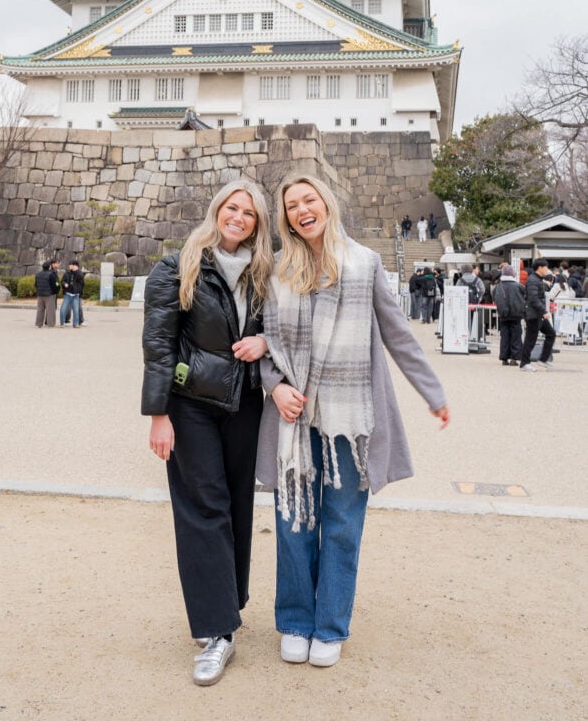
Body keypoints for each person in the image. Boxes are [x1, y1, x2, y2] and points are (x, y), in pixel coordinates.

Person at [256, 175, 449, 669]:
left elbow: (398, 334)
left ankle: (331, 625)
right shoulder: (277, 269)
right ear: (285, 217)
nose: (302, 210)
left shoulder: (365, 264)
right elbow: (262, 344)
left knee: (342, 524)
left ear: (326, 203)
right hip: (294, 418)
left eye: (309, 200)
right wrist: (275, 386)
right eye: (292, 205)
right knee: (293, 519)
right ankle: (296, 620)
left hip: (349, 417)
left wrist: (432, 391)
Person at [141, 179, 273, 686]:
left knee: (238, 504)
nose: (238, 217)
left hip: (244, 405)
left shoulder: (265, 272)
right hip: (191, 403)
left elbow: (282, 328)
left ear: (258, 224)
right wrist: (158, 414)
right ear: (217, 211)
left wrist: (262, 341)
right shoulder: (178, 266)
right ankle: (217, 630)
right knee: (203, 508)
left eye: (249, 213)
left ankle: (227, 606)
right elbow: (158, 343)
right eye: (231, 208)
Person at [519, 258, 556, 372]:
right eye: (546, 267)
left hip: (538, 314)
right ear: (540, 268)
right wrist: (544, 311)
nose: (547, 269)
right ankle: (524, 363)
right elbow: (533, 299)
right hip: (533, 315)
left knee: (551, 333)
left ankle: (543, 359)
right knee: (531, 339)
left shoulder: (538, 279)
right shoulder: (533, 280)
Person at [493, 264, 525, 365]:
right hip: (516, 314)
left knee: (504, 336)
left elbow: (494, 298)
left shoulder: (498, 287)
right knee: (516, 336)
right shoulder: (519, 286)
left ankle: (504, 358)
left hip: (503, 314)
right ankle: (514, 358)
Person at [35, 259, 60, 327]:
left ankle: (39, 323)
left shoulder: (38, 274)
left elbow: (36, 284)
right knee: (50, 310)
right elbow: (56, 284)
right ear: (49, 267)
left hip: (40, 294)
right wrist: (56, 290)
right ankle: (50, 324)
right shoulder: (51, 274)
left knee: (40, 309)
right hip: (49, 294)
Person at [60, 260, 84, 328]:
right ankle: (62, 323)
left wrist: (76, 271)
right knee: (63, 309)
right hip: (67, 294)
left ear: (74, 266)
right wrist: (64, 284)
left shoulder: (79, 273)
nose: (69, 266)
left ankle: (76, 324)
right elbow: (62, 281)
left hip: (76, 295)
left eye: (70, 265)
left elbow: (81, 278)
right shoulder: (67, 273)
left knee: (76, 310)